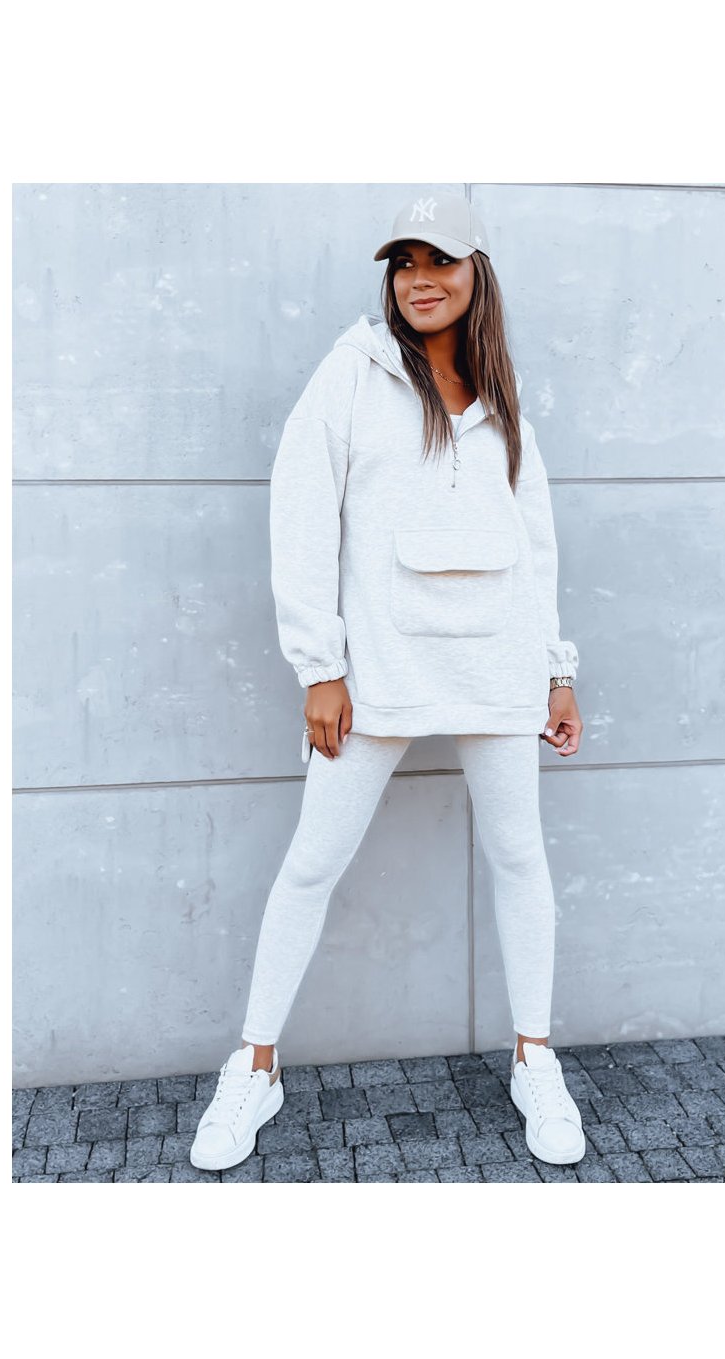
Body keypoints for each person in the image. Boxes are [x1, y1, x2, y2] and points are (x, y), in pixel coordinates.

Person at [191, 191, 586, 1175]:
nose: (420, 279)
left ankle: (534, 1057)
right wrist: (319, 667)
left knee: (519, 858)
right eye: (404, 261)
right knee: (312, 863)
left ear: (476, 271)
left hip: (496, 658)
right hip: (377, 665)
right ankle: (255, 1064)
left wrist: (555, 669)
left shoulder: (501, 391)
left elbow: (533, 539)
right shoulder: (352, 373)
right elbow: (300, 517)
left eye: (439, 260)